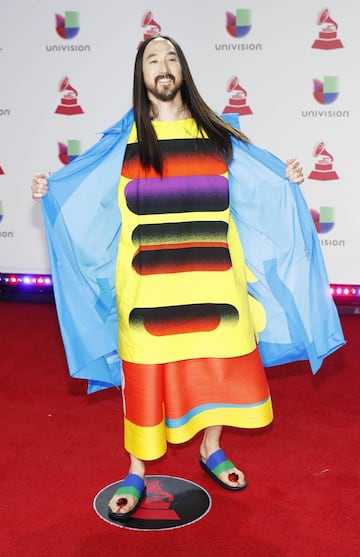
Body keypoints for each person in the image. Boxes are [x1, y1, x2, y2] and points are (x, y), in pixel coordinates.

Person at [31, 35, 344, 521]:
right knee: (146, 374)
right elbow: (83, 187)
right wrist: (48, 187)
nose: (163, 65)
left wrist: (291, 175)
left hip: (215, 278)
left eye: (172, 57)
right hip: (147, 284)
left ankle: (210, 448)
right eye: (153, 59)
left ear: (183, 70)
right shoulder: (124, 139)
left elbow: (260, 183)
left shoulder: (220, 131)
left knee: (221, 364)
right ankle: (137, 469)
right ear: (141, 74)